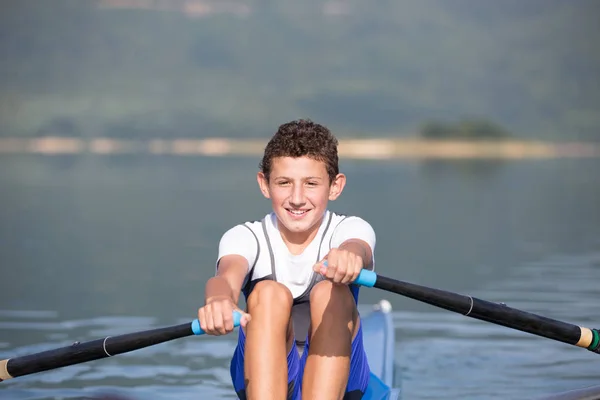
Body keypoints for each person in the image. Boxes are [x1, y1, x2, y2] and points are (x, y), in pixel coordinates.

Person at [197, 119, 376, 400]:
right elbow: (226, 278)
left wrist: (350, 257)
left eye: (311, 184)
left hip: (345, 383)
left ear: (335, 186)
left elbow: (358, 247)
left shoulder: (350, 230)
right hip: (261, 379)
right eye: (284, 183)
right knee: (268, 293)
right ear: (264, 184)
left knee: (330, 290)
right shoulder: (245, 237)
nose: (296, 198)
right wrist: (217, 301)